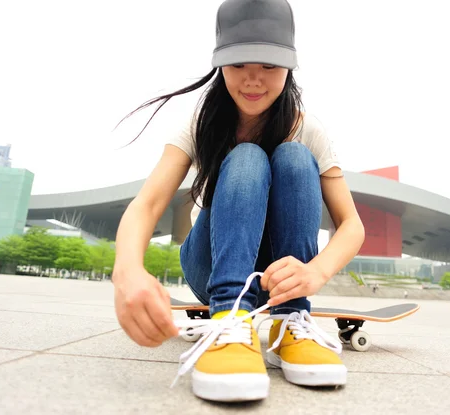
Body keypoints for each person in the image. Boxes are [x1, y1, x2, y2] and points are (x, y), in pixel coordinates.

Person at [112, 0, 365, 402]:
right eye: (238, 65)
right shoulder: (202, 120)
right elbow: (147, 204)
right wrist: (126, 271)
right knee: (247, 157)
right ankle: (230, 314)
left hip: (281, 280)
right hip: (211, 267)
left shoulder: (308, 128)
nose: (253, 80)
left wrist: (315, 274)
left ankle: (290, 318)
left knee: (296, 156)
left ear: (290, 67)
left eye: (269, 66)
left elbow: (352, 223)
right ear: (218, 65)